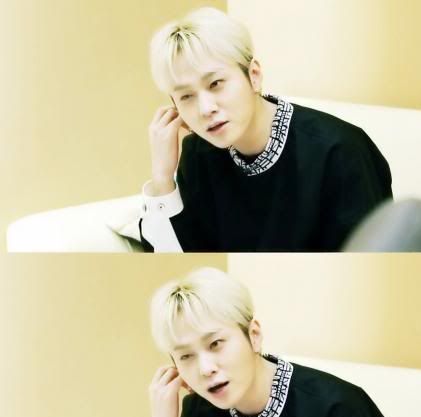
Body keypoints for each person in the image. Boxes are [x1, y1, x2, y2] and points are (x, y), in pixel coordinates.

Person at [140, 7, 392, 253]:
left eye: (215, 83)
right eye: (186, 96)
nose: (206, 108)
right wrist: (162, 180)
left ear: (254, 75)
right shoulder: (198, 154)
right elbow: (181, 257)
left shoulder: (339, 151)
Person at [139, 267, 393, 417]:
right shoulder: (198, 414)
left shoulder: (340, 411)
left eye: (215, 343)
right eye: (186, 356)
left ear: (254, 335)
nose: (205, 368)